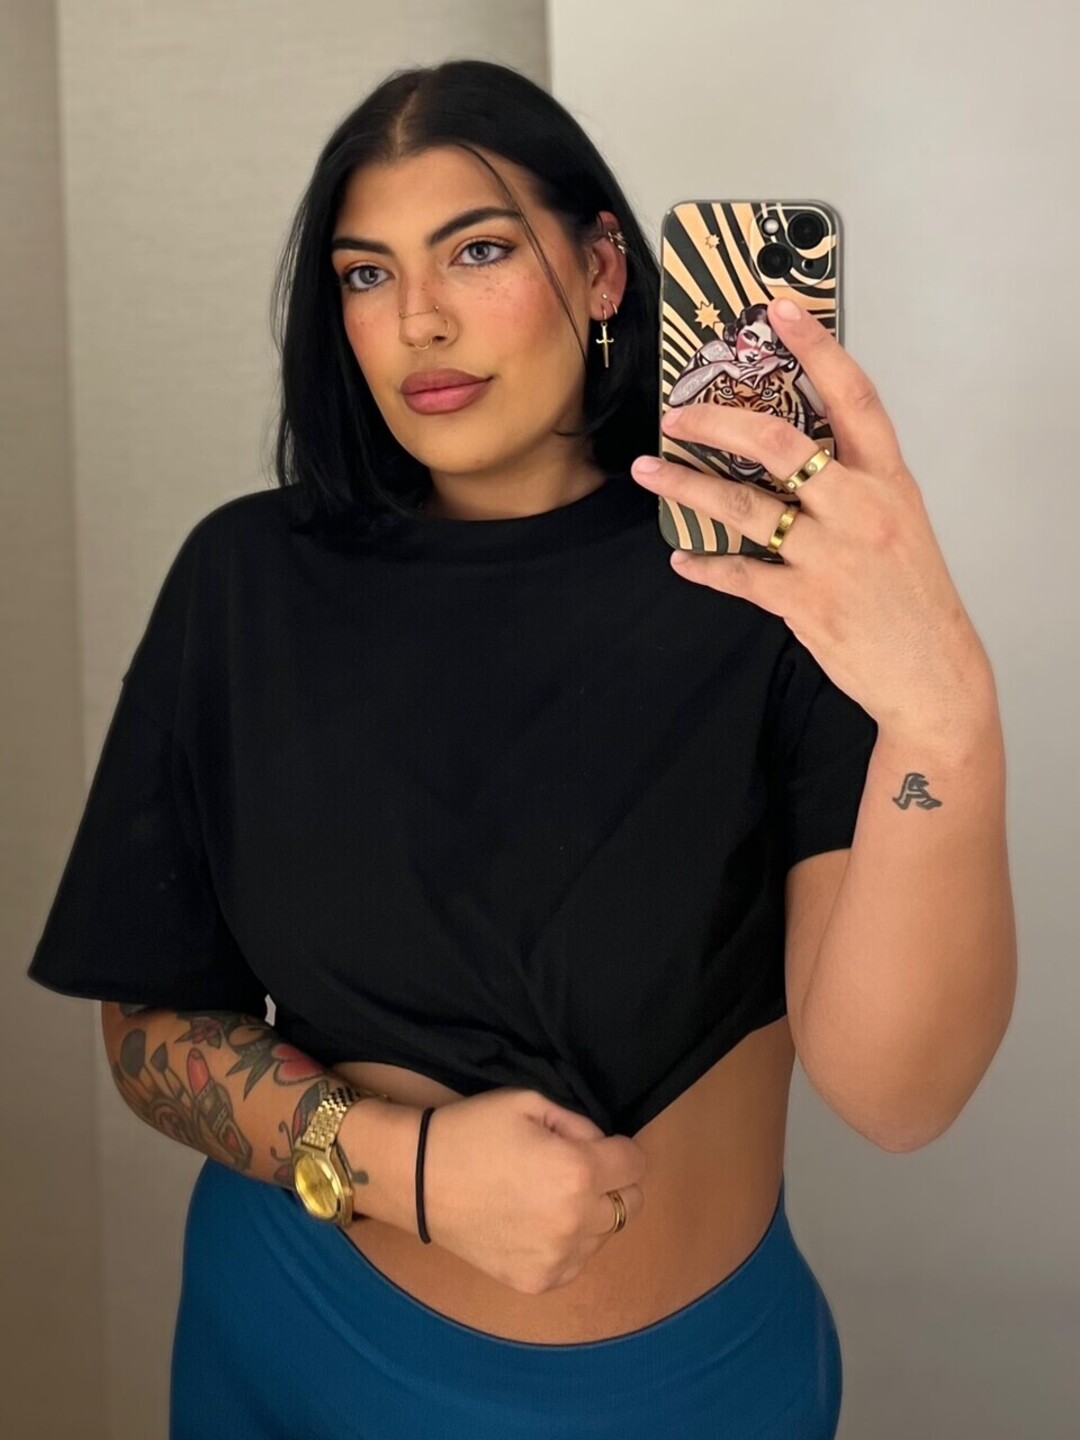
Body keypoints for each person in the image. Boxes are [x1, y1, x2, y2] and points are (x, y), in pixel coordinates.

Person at [28, 57, 891, 1439]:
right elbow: (144, 1033)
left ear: (602, 270)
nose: (418, 318)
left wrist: (943, 689)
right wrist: (405, 1169)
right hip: (291, 1344)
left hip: (693, 1391)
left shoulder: (761, 581)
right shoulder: (246, 579)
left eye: (477, 251)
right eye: (367, 275)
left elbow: (903, 1086)